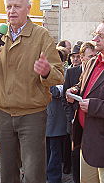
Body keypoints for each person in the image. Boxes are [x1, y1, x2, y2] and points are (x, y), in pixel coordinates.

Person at [0, 0, 64, 183]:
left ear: (28, 9)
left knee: (33, 173)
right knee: (7, 172)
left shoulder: (41, 36)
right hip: (2, 115)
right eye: (8, 7)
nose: (11, 11)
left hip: (32, 115)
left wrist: (46, 71)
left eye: (17, 6)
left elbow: (59, 76)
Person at [66, 19, 104, 183]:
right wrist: (74, 90)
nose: (95, 40)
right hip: (86, 141)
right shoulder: (92, 61)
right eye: (95, 34)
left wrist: (94, 106)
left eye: (101, 36)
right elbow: (83, 84)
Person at [63, 41, 97, 183]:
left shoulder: (97, 70)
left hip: (93, 122)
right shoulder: (71, 72)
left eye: (95, 55)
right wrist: (71, 118)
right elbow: (65, 100)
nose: (94, 59)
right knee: (76, 155)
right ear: (82, 57)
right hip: (75, 122)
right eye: (90, 56)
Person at [46, 46, 68, 183]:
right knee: (45, 150)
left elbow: (56, 91)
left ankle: (54, 178)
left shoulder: (65, 73)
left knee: (55, 151)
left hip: (56, 120)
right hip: (44, 118)